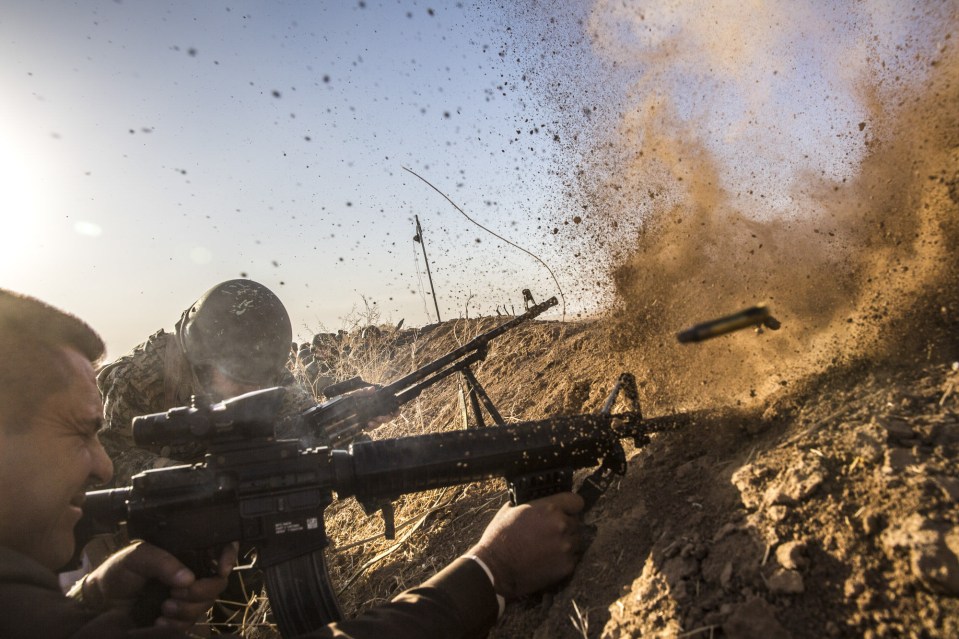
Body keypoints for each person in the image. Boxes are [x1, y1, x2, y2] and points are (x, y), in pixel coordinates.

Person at [0, 288, 585, 638]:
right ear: (200, 366)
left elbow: (293, 415)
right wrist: (492, 572)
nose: (97, 463)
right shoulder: (131, 393)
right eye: (80, 434)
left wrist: (96, 604)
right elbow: (127, 493)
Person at [96, 279, 322, 487]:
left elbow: (308, 418)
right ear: (202, 362)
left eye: (260, 379)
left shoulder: (259, 367)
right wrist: (184, 477)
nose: (254, 390)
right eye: (239, 378)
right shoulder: (138, 377)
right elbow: (112, 459)